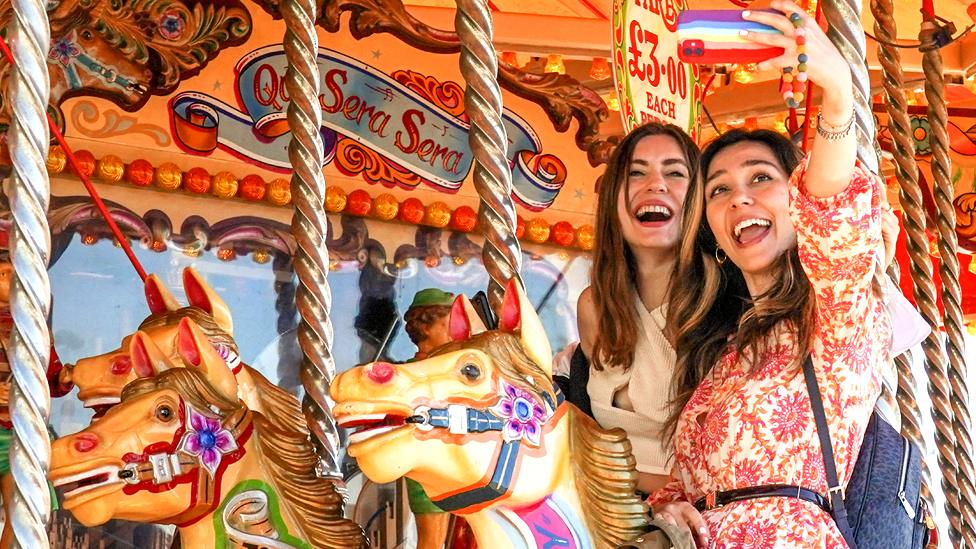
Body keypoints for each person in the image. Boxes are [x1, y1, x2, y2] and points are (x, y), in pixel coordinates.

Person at [650, 2, 888, 545]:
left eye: (761, 177)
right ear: (710, 231)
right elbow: (690, 485)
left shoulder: (836, 315)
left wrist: (837, 94)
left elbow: (835, 217)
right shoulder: (722, 354)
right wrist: (672, 510)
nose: (740, 198)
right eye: (719, 190)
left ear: (796, 200)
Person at [564, 120, 701, 496]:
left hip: (706, 520)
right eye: (635, 173)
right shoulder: (596, 306)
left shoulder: (721, 304)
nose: (655, 184)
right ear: (614, 200)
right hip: (616, 513)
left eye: (674, 173)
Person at [402, 288, 457, 549]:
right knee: (432, 541)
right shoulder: (411, 373)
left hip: (454, 464)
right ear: (425, 327)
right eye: (447, 325)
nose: (453, 332)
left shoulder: (451, 368)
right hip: (427, 464)